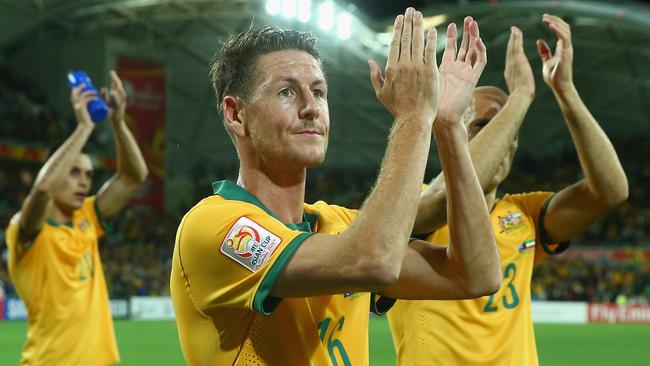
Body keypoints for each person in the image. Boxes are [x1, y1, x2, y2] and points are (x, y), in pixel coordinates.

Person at [170, 7, 501, 365]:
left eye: (318, 91)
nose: (311, 107)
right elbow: (373, 261)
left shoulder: (338, 226)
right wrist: (413, 117)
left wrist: (448, 125)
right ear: (236, 114)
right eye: (286, 92)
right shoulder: (213, 227)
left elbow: (475, 275)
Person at [388, 14, 629, 366]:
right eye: (484, 125)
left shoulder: (525, 215)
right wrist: (520, 98)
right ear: (454, 132)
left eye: (508, 132)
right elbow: (446, 199)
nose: (501, 140)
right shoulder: (413, 202)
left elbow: (610, 192)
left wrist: (566, 92)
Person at [5, 71, 148, 365]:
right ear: (57, 170)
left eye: (88, 175)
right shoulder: (25, 230)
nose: (84, 181)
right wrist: (84, 127)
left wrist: (118, 123)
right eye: (74, 172)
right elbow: (43, 189)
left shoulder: (88, 217)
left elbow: (134, 177)